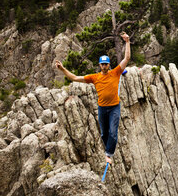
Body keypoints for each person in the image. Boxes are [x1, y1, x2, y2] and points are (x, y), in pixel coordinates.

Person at [55, 32, 130, 164]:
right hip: (102, 108)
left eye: (106, 64)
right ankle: (107, 149)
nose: (105, 66)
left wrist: (127, 42)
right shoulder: (94, 77)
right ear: (100, 65)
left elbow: (127, 58)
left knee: (113, 132)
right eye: (102, 64)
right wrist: (62, 69)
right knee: (104, 134)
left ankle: (109, 154)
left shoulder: (116, 72)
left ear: (109, 65)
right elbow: (74, 78)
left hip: (114, 107)